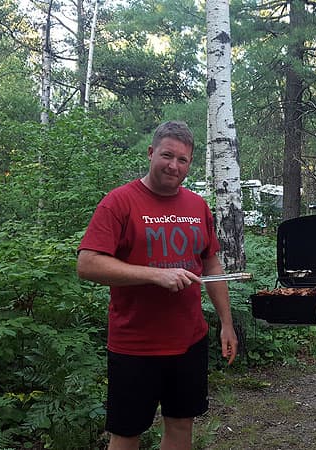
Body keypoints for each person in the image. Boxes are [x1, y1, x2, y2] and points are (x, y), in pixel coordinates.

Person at [76, 120, 238, 450]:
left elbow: (211, 264)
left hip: (189, 341)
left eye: (183, 160)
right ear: (151, 153)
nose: (174, 165)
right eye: (167, 155)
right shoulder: (119, 202)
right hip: (135, 345)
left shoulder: (197, 206)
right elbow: (87, 263)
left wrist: (226, 323)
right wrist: (154, 274)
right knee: (126, 435)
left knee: (180, 428)